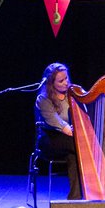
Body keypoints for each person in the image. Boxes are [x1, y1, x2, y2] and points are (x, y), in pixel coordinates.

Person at [34, 62, 81, 200]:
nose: (66, 83)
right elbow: (54, 120)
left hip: (70, 140)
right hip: (49, 140)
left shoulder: (72, 94)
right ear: (51, 83)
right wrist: (70, 130)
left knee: (75, 154)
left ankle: (75, 199)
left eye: (66, 78)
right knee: (78, 145)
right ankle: (101, 169)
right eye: (61, 81)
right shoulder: (43, 99)